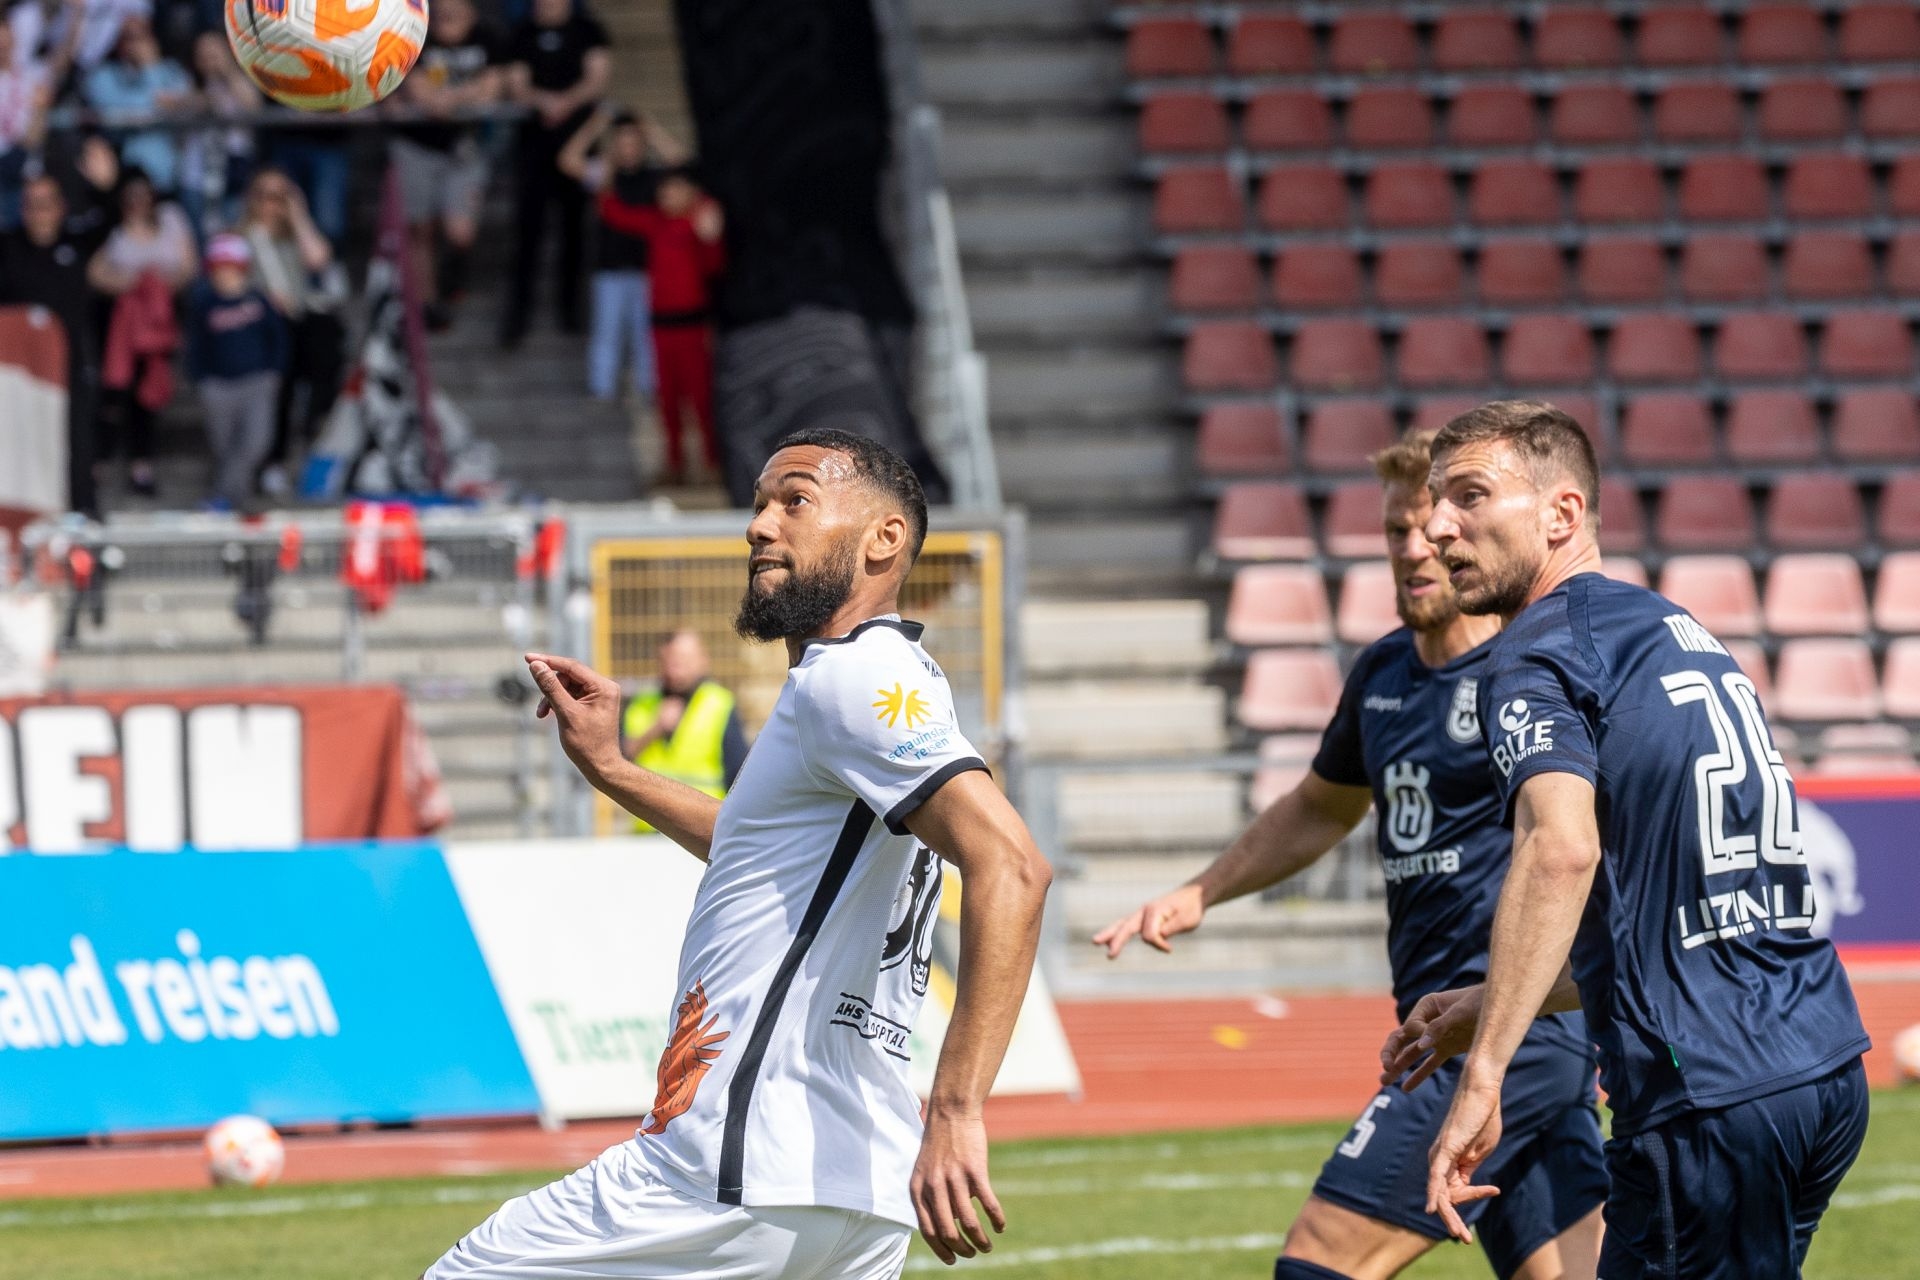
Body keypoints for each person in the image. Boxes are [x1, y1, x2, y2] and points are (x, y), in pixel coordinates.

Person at [429, 428, 1051, 1278]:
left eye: (796, 501)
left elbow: (1013, 865)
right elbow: (756, 847)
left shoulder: (851, 678)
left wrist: (957, 1109)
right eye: (759, 505)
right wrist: (615, 770)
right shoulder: (884, 679)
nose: (760, 524)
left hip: (735, 1164)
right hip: (852, 1188)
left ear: (885, 539)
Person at [1096, 430, 1606, 1280]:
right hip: (1452, 1028)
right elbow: (1320, 805)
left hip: (1503, 1031)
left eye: (1432, 529)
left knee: (1318, 1263)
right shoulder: (1384, 673)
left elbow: (1578, 842)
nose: (1415, 548)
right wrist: (1203, 891)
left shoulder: (1527, 678)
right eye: (1396, 531)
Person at [1392, 401, 1871, 1279]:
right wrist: (1491, 1004)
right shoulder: (1671, 631)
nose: (1438, 525)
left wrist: (1486, 1073)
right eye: (1436, 501)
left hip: (1709, 1091)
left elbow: (1560, 850)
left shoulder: (1536, 653)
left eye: (1470, 495)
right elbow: (1666, 928)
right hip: (1819, 1062)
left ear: (1562, 513)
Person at [594, 168, 724, 484]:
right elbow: (615, 214)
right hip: (660, 327)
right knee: (667, 401)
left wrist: (710, 231)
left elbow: (715, 265)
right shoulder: (656, 223)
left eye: (674, 190)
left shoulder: (698, 223)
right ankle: (675, 464)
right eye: (664, 192)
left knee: (700, 400)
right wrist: (606, 180)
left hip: (692, 326)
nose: (667, 197)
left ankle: (711, 463)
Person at [0, 171, 113, 513]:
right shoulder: (7, 247)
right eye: (32, 204)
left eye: (46, 204)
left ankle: (84, 520)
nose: (39, 213)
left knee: (77, 444)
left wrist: (104, 186)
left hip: (69, 366)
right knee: (15, 448)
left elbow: (111, 219)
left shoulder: (75, 244)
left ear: (61, 208)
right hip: (16, 374)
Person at [497, 0, 608, 349]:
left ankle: (571, 309)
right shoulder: (523, 33)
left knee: (574, 230)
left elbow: (597, 78)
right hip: (534, 148)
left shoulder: (588, 30)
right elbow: (515, 82)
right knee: (527, 232)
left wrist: (566, 102)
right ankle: (518, 314)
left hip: (576, 146)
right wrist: (542, 101)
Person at [388, 0, 504, 332]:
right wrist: (467, 94)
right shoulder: (416, 36)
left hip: (464, 148)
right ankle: (427, 302)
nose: (447, 11)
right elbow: (424, 96)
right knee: (420, 229)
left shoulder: (487, 38)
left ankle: (452, 280)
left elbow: (492, 90)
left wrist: (447, 98)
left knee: (460, 231)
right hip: (417, 146)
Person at [558, 102, 686, 404]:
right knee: (606, 333)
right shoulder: (604, 174)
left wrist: (651, 129)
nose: (628, 149)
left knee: (647, 336)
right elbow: (567, 160)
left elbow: (682, 163)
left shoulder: (655, 177)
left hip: (646, 269)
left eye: (633, 142)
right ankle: (602, 388)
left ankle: (649, 389)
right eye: (623, 142)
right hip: (610, 269)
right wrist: (596, 126)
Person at [236, 165, 344, 496]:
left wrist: (298, 214)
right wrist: (262, 299)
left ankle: (315, 424)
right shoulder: (240, 238)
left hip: (297, 320)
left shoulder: (294, 235)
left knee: (327, 334)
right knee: (279, 388)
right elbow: (229, 285)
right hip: (260, 325)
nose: (272, 203)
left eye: (280, 196)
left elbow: (318, 259)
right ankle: (273, 461)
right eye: (265, 195)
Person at [87, 164, 194, 496]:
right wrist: (133, 283)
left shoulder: (171, 218)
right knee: (114, 392)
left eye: (142, 195)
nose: (137, 201)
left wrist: (156, 287)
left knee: (148, 393)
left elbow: (189, 266)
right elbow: (94, 273)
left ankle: (142, 465)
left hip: (160, 324)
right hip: (121, 327)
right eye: (130, 195)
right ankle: (99, 461)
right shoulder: (113, 228)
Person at [183, 232, 285, 510]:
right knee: (224, 446)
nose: (225, 275)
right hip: (218, 386)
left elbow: (278, 339)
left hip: (256, 382)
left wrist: (274, 372)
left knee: (255, 442)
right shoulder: (205, 303)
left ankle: (222, 497)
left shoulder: (259, 301)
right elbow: (196, 345)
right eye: (219, 268)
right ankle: (236, 500)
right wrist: (201, 380)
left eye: (231, 268)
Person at [620, 628, 747, 833]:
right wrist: (655, 729)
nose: (674, 669)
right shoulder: (641, 703)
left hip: (703, 828)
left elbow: (738, 773)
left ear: (702, 660)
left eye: (682, 661)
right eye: (668, 661)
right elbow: (617, 759)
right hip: (648, 829)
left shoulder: (719, 703)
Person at [80, 15, 192, 197]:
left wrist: (151, 67)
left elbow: (185, 105)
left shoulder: (171, 71)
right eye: (129, 37)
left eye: (142, 36)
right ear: (118, 42)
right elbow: (114, 109)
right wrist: (158, 102)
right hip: (123, 181)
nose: (136, 44)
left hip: (169, 179)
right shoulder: (103, 75)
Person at [178, 29, 258, 240]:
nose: (209, 60)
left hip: (233, 171)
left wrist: (227, 72)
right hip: (196, 175)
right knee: (199, 238)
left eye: (214, 53)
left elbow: (253, 106)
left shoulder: (241, 82)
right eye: (203, 54)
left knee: (231, 237)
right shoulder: (189, 85)